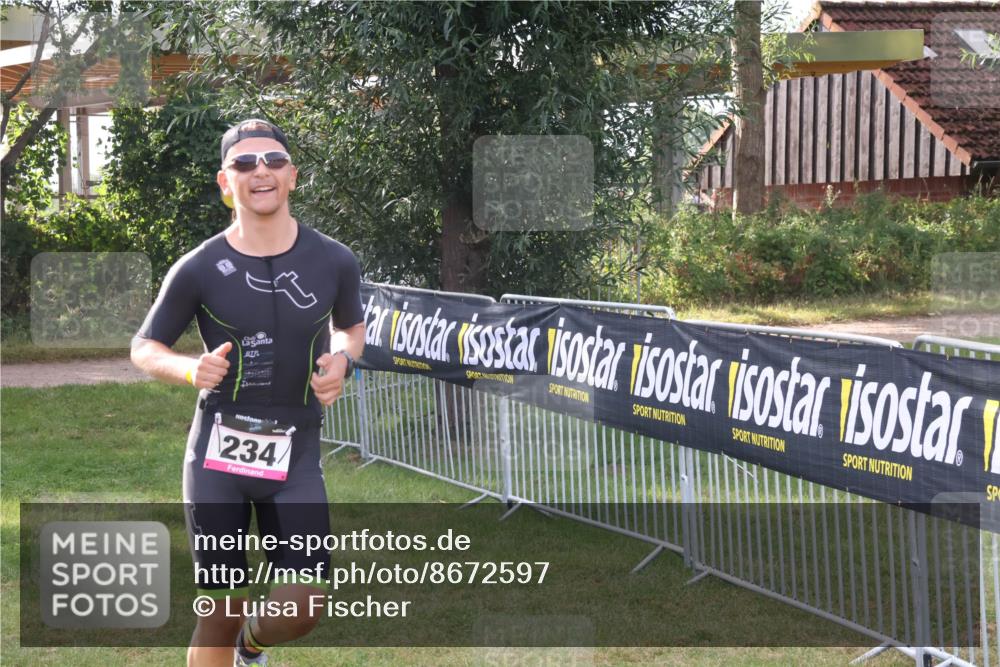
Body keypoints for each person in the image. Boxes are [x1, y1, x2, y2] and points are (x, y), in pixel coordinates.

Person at [131, 118, 365, 667]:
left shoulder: (334, 259)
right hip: (218, 456)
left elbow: (350, 328)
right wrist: (190, 369)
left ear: (293, 177)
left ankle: (250, 649)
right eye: (244, 163)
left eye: (274, 161)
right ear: (225, 181)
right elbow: (144, 347)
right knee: (221, 609)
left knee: (304, 606)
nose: (261, 170)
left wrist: (342, 359)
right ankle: (232, 640)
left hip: (297, 453)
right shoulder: (199, 267)